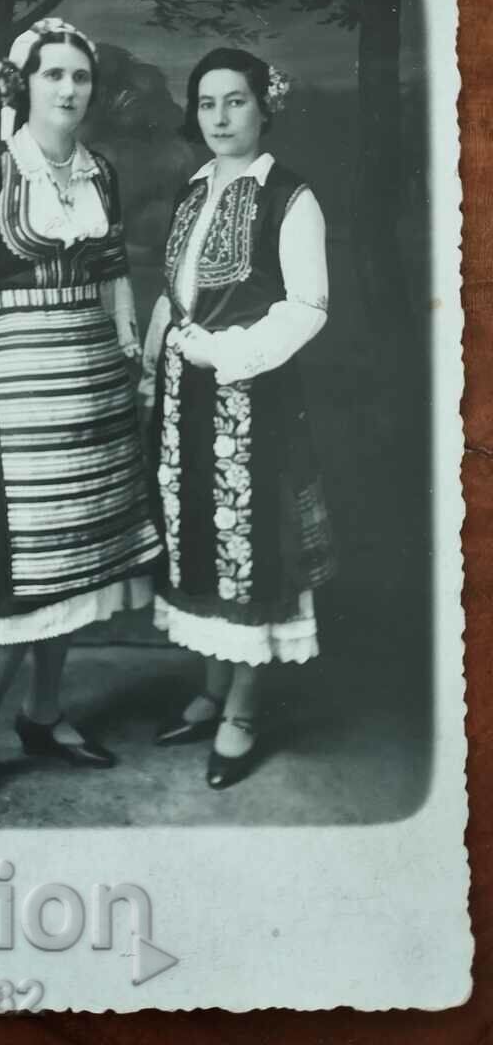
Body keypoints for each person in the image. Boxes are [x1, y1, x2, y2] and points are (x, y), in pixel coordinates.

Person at [0, 17, 162, 816]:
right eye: (55, 76)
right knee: (23, 564)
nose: (71, 89)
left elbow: (113, 265)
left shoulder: (99, 171)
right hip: (22, 386)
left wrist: (128, 347)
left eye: (81, 76)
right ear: (24, 84)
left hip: (97, 385)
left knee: (81, 556)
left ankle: (44, 716)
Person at [140, 47, 335, 790]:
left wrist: (229, 354)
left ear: (264, 106)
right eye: (208, 104)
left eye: (236, 102)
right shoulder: (194, 190)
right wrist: (160, 357)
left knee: (254, 544)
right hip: (188, 401)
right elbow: (176, 295)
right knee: (203, 540)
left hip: (253, 397)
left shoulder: (291, 196)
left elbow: (306, 307)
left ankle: (245, 707)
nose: (220, 118)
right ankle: (214, 686)